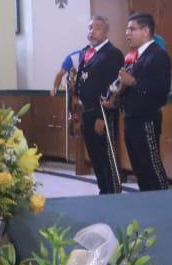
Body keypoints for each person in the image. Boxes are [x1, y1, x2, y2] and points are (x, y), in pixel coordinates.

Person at [51, 15, 124, 194]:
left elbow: (112, 88)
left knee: (106, 157)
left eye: (97, 28)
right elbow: (80, 80)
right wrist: (76, 101)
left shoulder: (112, 54)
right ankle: (103, 191)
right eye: (90, 27)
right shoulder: (86, 52)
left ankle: (113, 193)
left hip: (102, 113)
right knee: (95, 156)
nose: (92, 31)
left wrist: (102, 117)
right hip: (86, 113)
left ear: (106, 32)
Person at [110, 12, 171, 191]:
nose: (127, 33)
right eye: (127, 29)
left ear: (145, 31)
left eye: (132, 29)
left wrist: (133, 81)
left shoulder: (157, 55)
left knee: (151, 166)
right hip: (131, 118)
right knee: (140, 168)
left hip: (146, 119)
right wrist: (118, 94)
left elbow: (162, 89)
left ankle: (164, 201)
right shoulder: (135, 58)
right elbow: (130, 86)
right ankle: (147, 201)